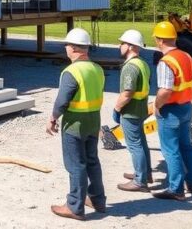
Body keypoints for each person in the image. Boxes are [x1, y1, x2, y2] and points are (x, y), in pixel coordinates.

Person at [47, 28, 107, 220]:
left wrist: (53, 118)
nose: (66, 48)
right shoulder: (97, 69)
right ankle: (97, 199)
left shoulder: (71, 71)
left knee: (75, 165)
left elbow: (62, 100)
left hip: (75, 123)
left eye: (67, 45)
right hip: (93, 120)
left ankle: (74, 206)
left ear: (73, 48)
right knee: (92, 161)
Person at [151, 21, 192, 200]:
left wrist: (157, 105)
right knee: (186, 147)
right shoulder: (186, 57)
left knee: (170, 150)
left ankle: (176, 189)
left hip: (171, 110)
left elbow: (165, 90)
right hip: (186, 107)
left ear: (160, 41)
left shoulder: (166, 62)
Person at [114, 29, 153, 192]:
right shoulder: (142, 63)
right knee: (141, 143)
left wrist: (117, 108)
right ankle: (145, 173)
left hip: (131, 111)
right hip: (141, 108)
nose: (119, 45)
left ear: (130, 46)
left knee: (134, 145)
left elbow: (127, 93)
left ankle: (139, 180)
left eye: (122, 43)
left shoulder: (130, 67)